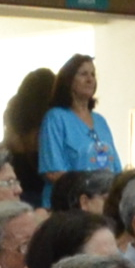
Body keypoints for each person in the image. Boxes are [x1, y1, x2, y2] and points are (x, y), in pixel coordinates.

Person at [37, 54, 117, 189]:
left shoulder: (101, 121)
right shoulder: (56, 118)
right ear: (69, 80)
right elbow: (52, 172)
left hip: (100, 202)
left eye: (93, 74)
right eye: (83, 74)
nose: (90, 79)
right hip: (67, 203)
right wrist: (88, 188)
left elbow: (115, 168)